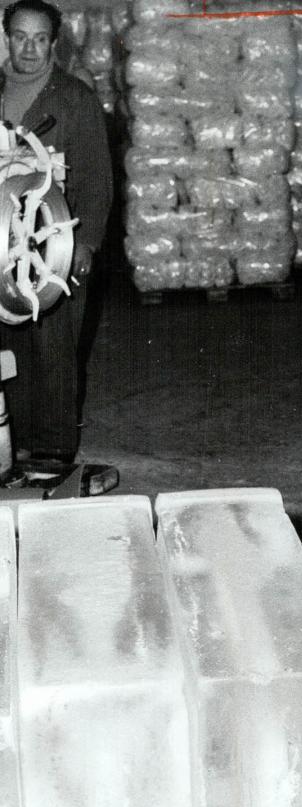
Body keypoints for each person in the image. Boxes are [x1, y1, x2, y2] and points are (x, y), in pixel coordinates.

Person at [0, 0, 112, 462]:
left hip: (53, 244)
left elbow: (96, 176)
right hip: (2, 242)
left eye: (40, 38)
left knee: (53, 347)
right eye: (20, 36)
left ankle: (53, 450)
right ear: (7, 37)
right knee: (10, 345)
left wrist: (84, 243)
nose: (29, 47)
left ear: (53, 42)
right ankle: (15, 443)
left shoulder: (75, 99)